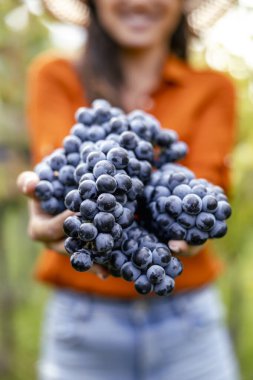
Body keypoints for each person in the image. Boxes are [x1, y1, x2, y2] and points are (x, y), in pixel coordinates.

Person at [17, 0, 240, 379]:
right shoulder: (55, 74)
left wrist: (192, 230)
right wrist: (49, 212)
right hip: (83, 324)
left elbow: (208, 190)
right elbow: (56, 172)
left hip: (189, 323)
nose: (139, 1)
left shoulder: (214, 87)